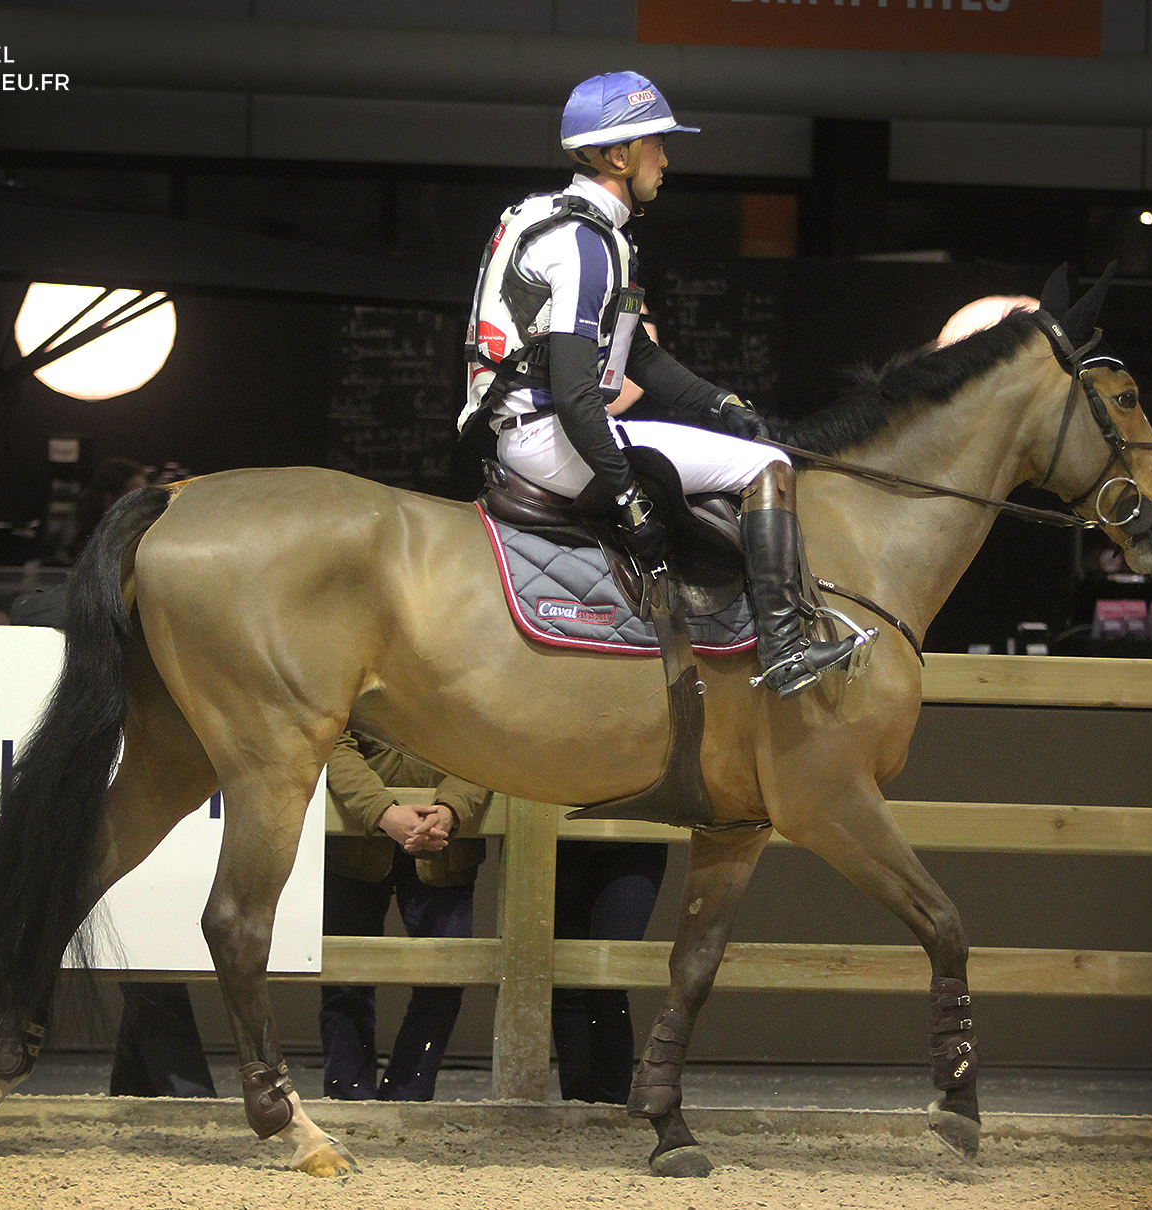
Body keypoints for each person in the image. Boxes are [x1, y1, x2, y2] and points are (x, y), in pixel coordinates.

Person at [461, 71, 860, 698]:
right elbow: (573, 393)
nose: (666, 159)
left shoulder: (569, 224)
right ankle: (786, 648)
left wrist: (721, 403)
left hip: (535, 430)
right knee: (769, 467)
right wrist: (626, 497)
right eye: (657, 145)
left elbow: (638, 356)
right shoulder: (585, 244)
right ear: (619, 156)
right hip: (551, 437)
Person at [319, 731, 492, 1101]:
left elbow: (484, 742)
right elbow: (333, 741)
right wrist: (381, 810)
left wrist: (450, 811)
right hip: (356, 838)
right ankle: (350, 1098)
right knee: (345, 979)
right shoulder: (350, 672)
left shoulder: (476, 672)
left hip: (444, 845)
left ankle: (408, 1095)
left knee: (445, 978)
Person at [550, 838, 668, 1103]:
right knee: (567, 982)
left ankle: (612, 1102)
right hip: (561, 841)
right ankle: (577, 1102)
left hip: (632, 844)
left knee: (608, 980)